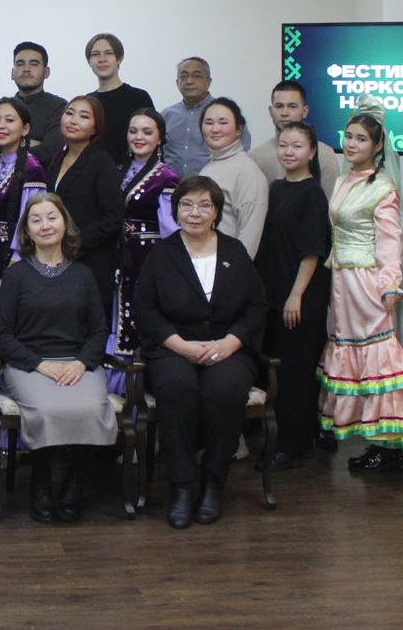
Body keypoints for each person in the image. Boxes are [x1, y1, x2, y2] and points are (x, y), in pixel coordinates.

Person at [134, 175, 268, 529]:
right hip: (174, 349)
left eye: (204, 205)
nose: (194, 213)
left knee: (224, 390)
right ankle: (181, 485)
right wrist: (179, 344)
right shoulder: (161, 254)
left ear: (216, 212)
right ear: (176, 210)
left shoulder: (235, 252)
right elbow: (145, 309)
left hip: (228, 348)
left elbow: (256, 307)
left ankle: (212, 483)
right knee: (177, 388)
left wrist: (230, 343)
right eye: (187, 205)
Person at [0, 193, 117, 524]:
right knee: (47, 410)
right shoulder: (16, 275)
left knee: (92, 409)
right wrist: (40, 365)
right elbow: (3, 335)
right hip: (29, 366)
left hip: (78, 364)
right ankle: (42, 481)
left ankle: (76, 483)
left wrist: (80, 363)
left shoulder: (84, 275)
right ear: (27, 231)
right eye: (36, 220)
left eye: (52, 217)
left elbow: (98, 331)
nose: (45, 225)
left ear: (65, 224)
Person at [318, 105, 403, 473]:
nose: (352, 144)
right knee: (351, 352)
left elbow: (390, 241)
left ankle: (389, 446)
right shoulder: (344, 180)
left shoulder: (382, 187)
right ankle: (375, 440)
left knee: (377, 354)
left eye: (361, 139)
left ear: (378, 147)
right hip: (342, 281)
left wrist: (390, 284)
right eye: (349, 137)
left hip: (366, 281)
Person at [252, 120, 331, 471]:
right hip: (273, 294)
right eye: (283, 145)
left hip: (299, 299)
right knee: (278, 371)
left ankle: (291, 446)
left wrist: (296, 295)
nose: (288, 152)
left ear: (311, 152)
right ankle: (297, 438)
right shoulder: (276, 188)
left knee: (295, 375)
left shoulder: (312, 193)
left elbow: (312, 251)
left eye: (297, 146)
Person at [110, 108, 180, 385]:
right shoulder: (118, 170)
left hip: (147, 257)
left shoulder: (167, 178)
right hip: (117, 254)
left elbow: (171, 231)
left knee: (138, 313)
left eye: (147, 132)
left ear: (160, 138)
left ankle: (135, 386)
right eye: (133, 131)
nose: (139, 137)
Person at [0, 97, 48, 358]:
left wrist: (11, 272)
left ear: (25, 128)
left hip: (11, 259)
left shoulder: (32, 169)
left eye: (9, 120)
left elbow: (34, 224)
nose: (1, 126)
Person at [44, 95, 123, 312]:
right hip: (56, 260)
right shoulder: (56, 159)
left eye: (84, 116)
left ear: (96, 128)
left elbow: (113, 219)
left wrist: (71, 244)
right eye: (69, 113)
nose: (73, 120)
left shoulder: (101, 161)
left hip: (89, 261)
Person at [199, 97, 269, 257]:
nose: (215, 129)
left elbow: (250, 236)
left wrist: (234, 269)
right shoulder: (208, 167)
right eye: (209, 122)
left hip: (227, 266)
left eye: (223, 122)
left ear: (239, 129)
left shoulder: (248, 172)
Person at [249, 80, 341, 201]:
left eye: (292, 106)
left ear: (305, 111)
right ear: (271, 111)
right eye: (279, 106)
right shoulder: (256, 156)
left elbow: (331, 203)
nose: (285, 113)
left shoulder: (324, 154)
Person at [162, 56, 250, 176]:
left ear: (208, 82)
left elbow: (243, 149)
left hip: (215, 183)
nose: (189, 81)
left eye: (197, 75)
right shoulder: (167, 115)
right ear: (177, 83)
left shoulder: (226, 112)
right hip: (172, 185)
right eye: (184, 76)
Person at [86, 33, 156, 166]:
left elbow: (151, 141)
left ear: (119, 58)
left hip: (132, 173)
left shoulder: (138, 97)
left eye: (109, 53)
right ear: (89, 61)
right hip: (95, 173)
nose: (102, 59)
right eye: (95, 54)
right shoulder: (87, 102)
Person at [11, 41, 66, 161]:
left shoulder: (59, 106)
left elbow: (49, 151)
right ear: (12, 73)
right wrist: (31, 143)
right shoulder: (0, 107)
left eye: (34, 64)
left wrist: (8, 144)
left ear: (46, 72)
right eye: (20, 64)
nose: (26, 69)